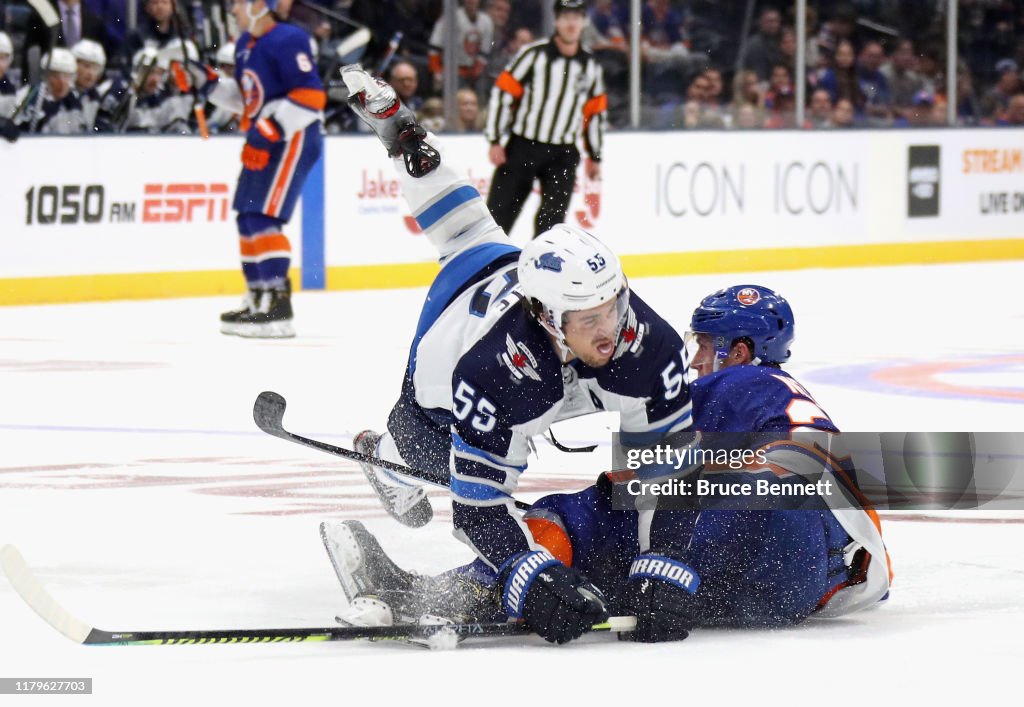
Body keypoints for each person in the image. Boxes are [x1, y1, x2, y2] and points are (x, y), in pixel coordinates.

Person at [329, 64, 694, 644]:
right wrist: (528, 571)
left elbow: (668, 470)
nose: (612, 331)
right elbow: (479, 507)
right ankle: (387, 459)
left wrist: (668, 561)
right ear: (548, 318)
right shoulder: (491, 372)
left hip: (496, 265)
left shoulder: (647, 344)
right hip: (448, 357)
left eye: (615, 306)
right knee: (431, 454)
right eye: (590, 319)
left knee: (469, 227)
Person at [326, 282, 891, 644]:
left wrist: (617, 487)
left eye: (703, 346)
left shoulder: (740, 380)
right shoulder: (779, 395)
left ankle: (440, 595)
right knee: (630, 546)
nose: (695, 359)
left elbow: (715, 466)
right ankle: (581, 589)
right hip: (799, 585)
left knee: (587, 515)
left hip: (768, 540)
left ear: (737, 351)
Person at [184, 0, 325, 338]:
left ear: (261, 5)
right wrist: (206, 82)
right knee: (247, 215)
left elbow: (311, 95)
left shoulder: (289, 38)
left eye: (238, 4)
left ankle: (278, 305)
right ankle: (258, 296)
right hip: (265, 135)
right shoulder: (247, 45)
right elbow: (246, 99)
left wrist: (271, 130)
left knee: (264, 217)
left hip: (292, 136)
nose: (232, 10)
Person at [485, 0, 606, 238]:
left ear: (584, 22)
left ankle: (541, 270)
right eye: (566, 17)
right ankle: (486, 266)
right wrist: (495, 139)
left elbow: (595, 113)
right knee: (499, 215)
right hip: (523, 147)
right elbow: (503, 93)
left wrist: (595, 155)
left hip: (563, 153)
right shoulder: (533, 55)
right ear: (556, 21)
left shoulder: (590, 65)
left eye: (576, 17)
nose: (571, 23)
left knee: (552, 224)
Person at [12, 48, 90, 135]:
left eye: (67, 76)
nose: (62, 82)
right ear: (45, 75)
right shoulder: (27, 97)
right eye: (55, 75)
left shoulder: (74, 102)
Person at [71, 39, 109, 131]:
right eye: (86, 66)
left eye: (96, 68)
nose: (91, 73)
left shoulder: (96, 96)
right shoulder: (61, 95)